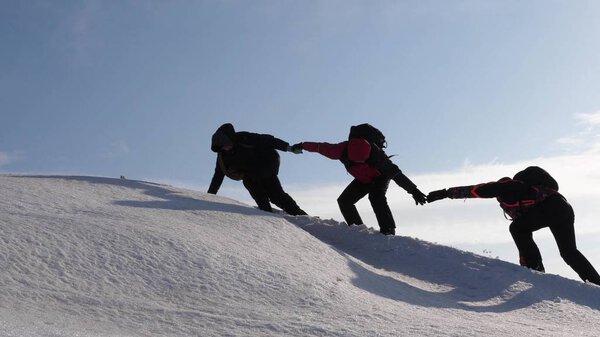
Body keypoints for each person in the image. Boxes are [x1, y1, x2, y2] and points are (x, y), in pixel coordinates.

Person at [427, 166, 600, 285]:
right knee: (569, 252)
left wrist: (445, 193)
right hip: (563, 208)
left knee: (517, 228)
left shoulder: (506, 187)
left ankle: (535, 270)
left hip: (552, 206)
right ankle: (596, 284)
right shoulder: (524, 191)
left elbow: (474, 190)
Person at [292, 124, 427, 235]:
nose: (361, 162)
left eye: (364, 160)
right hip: (363, 179)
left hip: (380, 176)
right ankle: (358, 230)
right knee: (344, 201)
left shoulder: (377, 155)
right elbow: (320, 147)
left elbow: (396, 174)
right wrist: (302, 145)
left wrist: (414, 191)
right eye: (357, 161)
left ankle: (388, 231)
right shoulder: (340, 149)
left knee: (376, 197)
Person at [208, 123, 307, 216]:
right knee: (249, 181)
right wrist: (209, 197)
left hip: (267, 161)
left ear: (229, 139)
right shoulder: (223, 157)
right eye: (222, 147)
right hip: (251, 173)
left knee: (276, 195)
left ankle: (299, 214)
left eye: (225, 144)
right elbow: (218, 176)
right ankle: (266, 212)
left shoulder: (244, 138)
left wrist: (289, 148)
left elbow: (267, 140)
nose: (225, 148)